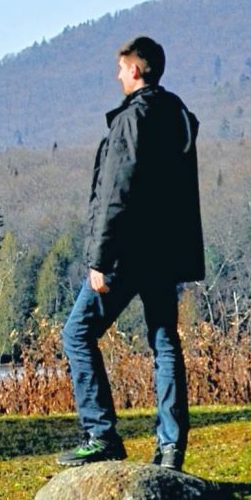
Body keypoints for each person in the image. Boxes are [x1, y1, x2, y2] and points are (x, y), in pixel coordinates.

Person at [58, 33, 204, 468]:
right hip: (166, 254)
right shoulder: (178, 116)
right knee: (164, 343)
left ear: (136, 70)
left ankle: (101, 434)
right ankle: (170, 446)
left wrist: (100, 259)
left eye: (121, 68)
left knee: (77, 334)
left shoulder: (131, 120)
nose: (117, 75)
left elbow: (115, 196)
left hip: (127, 254)